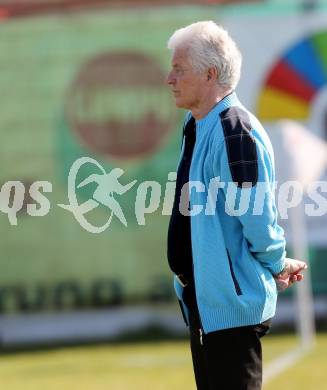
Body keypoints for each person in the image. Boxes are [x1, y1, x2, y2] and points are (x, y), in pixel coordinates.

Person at [166, 21, 307, 390]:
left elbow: (257, 216)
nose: (170, 78)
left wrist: (276, 262)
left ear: (210, 73)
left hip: (229, 308)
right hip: (206, 304)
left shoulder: (233, 129)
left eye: (179, 69)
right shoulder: (196, 124)